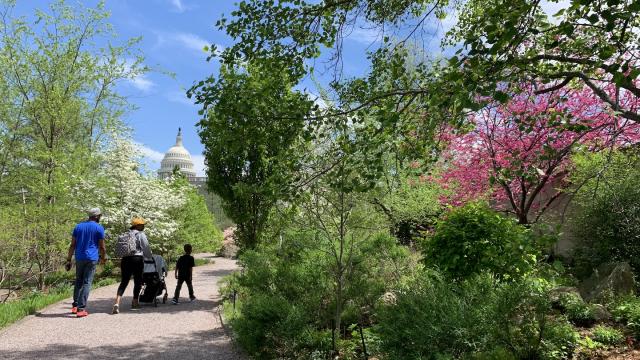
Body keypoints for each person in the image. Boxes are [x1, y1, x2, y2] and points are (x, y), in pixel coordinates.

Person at [67, 208, 106, 318]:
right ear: (97, 216)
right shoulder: (99, 228)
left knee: (78, 281)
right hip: (92, 258)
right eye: (100, 216)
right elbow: (102, 247)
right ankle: (81, 309)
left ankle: (75, 306)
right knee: (87, 282)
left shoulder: (78, 227)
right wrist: (103, 259)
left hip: (79, 257)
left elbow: (72, 245)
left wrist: (68, 259)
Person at [112, 217, 152, 314]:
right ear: (137, 225)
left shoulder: (126, 234)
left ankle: (117, 302)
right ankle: (135, 302)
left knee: (124, 281)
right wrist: (149, 256)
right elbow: (146, 247)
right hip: (137, 259)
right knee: (138, 281)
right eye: (142, 225)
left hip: (125, 259)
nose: (143, 226)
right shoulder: (140, 234)